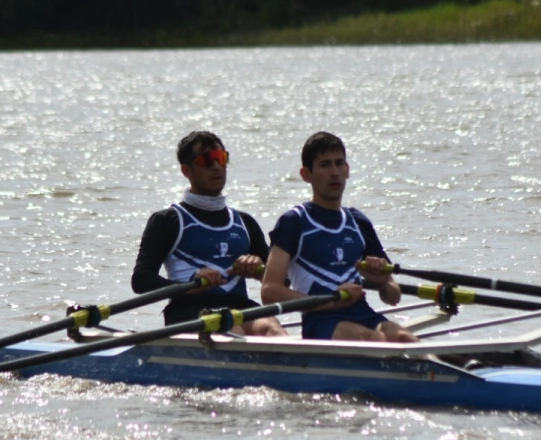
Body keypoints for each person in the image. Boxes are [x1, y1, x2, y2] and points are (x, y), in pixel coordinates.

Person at [261, 131, 417, 343]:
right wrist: (330, 302)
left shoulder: (358, 221)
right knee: (373, 339)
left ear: (347, 170)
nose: (334, 172)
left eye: (339, 163)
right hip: (321, 322)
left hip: (364, 313)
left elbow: (393, 296)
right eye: (325, 165)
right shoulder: (294, 222)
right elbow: (270, 291)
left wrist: (380, 281)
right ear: (306, 174)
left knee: (404, 337)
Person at [131, 130, 286, 337]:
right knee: (233, 329)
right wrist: (188, 286)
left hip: (240, 307)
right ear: (187, 171)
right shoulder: (167, 221)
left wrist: (258, 271)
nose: (216, 166)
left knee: (272, 328)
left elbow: (282, 282)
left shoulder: (244, 222)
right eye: (207, 160)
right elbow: (141, 280)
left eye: (221, 158)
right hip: (189, 311)